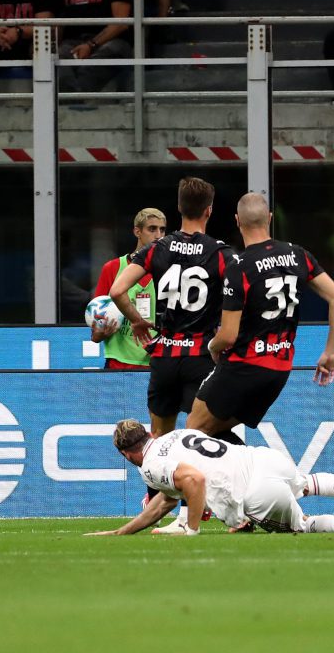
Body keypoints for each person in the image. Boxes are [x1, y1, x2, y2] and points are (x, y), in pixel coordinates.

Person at [108, 177, 231, 533]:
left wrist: (137, 321)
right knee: (199, 438)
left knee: (158, 442)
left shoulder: (157, 248)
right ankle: (193, 512)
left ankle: (153, 500)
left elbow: (117, 289)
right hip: (200, 356)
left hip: (164, 354)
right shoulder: (221, 253)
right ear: (209, 210)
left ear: (178, 209)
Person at [189, 193, 334, 444]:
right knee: (215, 432)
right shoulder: (299, 255)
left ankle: (247, 477)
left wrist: (212, 346)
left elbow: (228, 335)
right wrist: (330, 352)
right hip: (279, 371)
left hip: (244, 366)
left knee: (193, 432)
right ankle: (244, 475)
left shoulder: (239, 266)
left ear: (237, 220)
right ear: (270, 218)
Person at [89, 420, 334, 535]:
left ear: (126, 455)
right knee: (308, 482)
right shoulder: (178, 433)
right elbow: (164, 502)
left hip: (255, 492)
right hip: (263, 458)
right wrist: (121, 532)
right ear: (150, 434)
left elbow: (194, 480)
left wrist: (190, 528)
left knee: (303, 525)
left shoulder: (151, 466)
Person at [91, 207, 166, 370]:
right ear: (137, 231)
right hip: (118, 364)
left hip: (157, 364)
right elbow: (95, 331)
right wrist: (100, 333)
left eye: (162, 230)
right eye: (152, 229)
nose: (159, 235)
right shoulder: (112, 268)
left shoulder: (170, 271)